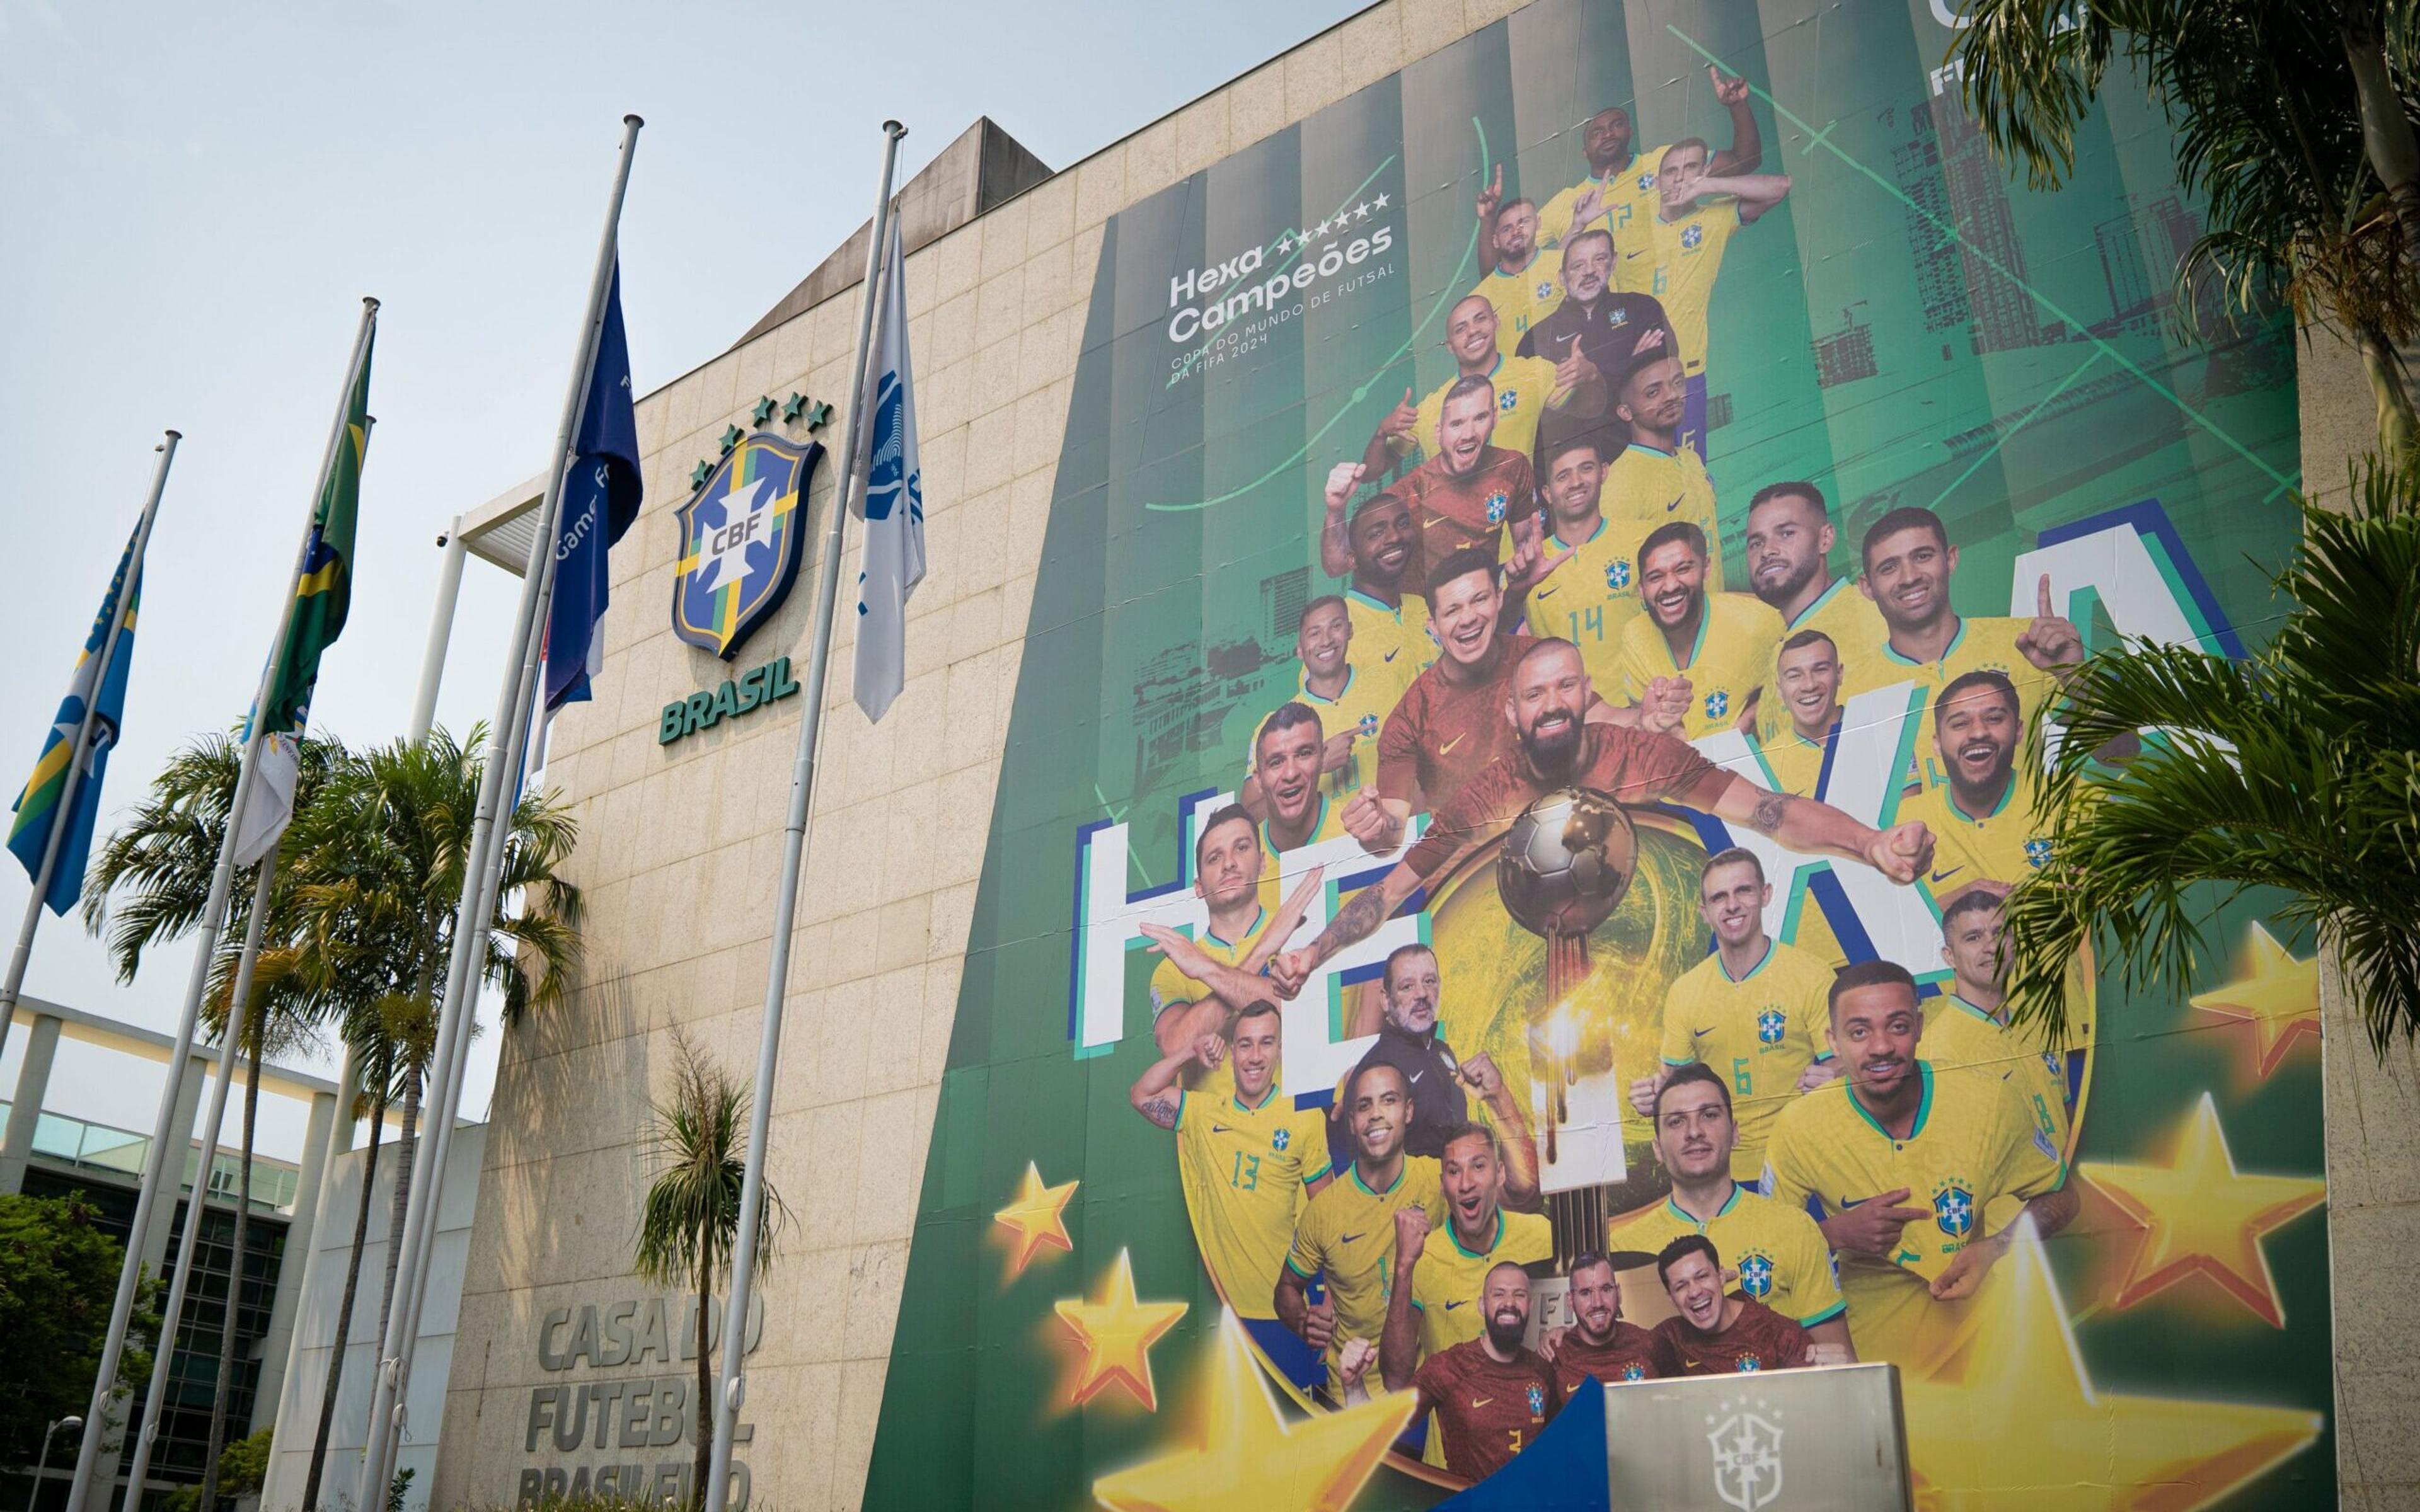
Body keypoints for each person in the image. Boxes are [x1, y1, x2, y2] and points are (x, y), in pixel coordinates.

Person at [1269, 639, 1935, 997]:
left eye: (1566, 687)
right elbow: (1390, 893)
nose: (1552, 704)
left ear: (1588, 695)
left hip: (1658, 966)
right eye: (1534, 694)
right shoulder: (1486, 797)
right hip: (1544, 982)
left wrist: (1871, 843)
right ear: (1512, 714)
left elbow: (1769, 811)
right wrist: (1313, 953)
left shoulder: (1643, 756)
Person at [1761, 961, 2079, 1370]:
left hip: (1988, 1354)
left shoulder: (1987, 1101)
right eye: (1859, 1032)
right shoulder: (1799, 1127)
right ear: (1833, 1041)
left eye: (1897, 1026)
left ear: (1920, 1026)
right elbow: (1765, 1252)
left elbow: (2063, 1196)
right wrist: (1836, 1232)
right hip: (1874, 1363)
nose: (1880, 1047)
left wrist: (1996, 1247)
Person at [1129, 1001, 1333, 1388]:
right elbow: (1141, 1094)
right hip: (1223, 1318)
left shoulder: (1303, 1117)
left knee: (1297, 1442)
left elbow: (1331, 1218)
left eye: (1266, 1043)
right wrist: (1190, 1051)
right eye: (1245, 1045)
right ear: (1232, 1051)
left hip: (1285, 1317)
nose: (1255, 1056)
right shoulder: (1206, 1114)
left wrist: (1330, 1307)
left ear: (1279, 1050)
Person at [1357, 550, 1602, 849]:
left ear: (1499, 599)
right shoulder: (1411, 717)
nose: (1468, 619)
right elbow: (1391, 831)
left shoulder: (1538, 660)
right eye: (1452, 611)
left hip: (1568, 839)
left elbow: (1608, 720)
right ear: (1433, 626)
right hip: (1474, 868)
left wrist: (1649, 718)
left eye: (1479, 600)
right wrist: (1373, 827)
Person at [1608, 1063, 1852, 1360]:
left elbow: (1841, 1367)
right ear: (1657, 1148)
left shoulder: (1794, 1228)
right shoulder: (1623, 1250)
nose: (1694, 1132)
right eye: (1676, 1122)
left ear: (1735, 1133)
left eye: (1709, 1115)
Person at [1628, 850, 1837, 1178]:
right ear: (1705, 912)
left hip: (1804, 1161)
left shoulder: (1812, 975)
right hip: (1723, 1173)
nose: (1732, 905)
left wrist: (1839, 1078)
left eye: (1744, 891)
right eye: (1719, 897)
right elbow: (1673, 1085)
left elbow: (1841, 1068)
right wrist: (1651, 1100)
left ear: (1765, 895)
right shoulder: (1686, 991)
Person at [1848, 506, 2083, 791]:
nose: (1909, 577)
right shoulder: (1852, 693)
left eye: (1922, 556)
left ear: (1951, 559)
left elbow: (2121, 754)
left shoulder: (2025, 643)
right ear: (1867, 587)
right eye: (1889, 568)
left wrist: (2076, 676)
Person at [1279, 1062, 1445, 1401]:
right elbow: (1286, 1288)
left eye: (1389, 1100)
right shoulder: (1324, 1210)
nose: (1376, 1115)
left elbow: (1511, 1195)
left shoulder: (1439, 1180)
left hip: (1429, 1389)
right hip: (1353, 1394)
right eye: (1364, 1105)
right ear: (1352, 1123)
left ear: (1408, 1111)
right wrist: (1301, 1320)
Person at [1330, 944, 1542, 1207]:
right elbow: (1371, 1190)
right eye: (1407, 986)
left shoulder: (1442, 1052)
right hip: (1419, 1222)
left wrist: (1498, 1095)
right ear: (1385, 1000)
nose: (1422, 993)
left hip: (1459, 1210)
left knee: (1527, 1198)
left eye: (1429, 981)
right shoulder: (1377, 1073)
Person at [1622, 139, 1794, 451]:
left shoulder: (1713, 218)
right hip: (1636, 375)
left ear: (1704, 172)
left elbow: (1781, 187)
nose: (1679, 178)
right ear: (1658, 180)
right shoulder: (1633, 234)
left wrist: (1707, 186)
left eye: (1690, 169)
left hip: (1686, 373)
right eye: (1671, 172)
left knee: (1690, 472)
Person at [1136, 806, 1320, 1093]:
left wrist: (1207, 971)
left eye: (1241, 848)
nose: (1229, 864)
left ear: (1262, 863)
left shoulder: (1300, 931)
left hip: (1301, 1131)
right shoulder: (1174, 967)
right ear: (1199, 887)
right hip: (1215, 1134)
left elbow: (1308, 1016)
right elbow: (1174, 1048)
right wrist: (1260, 954)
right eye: (1215, 858)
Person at [1318, 379, 1544, 595]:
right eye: (1457, 424)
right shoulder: (1408, 494)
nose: (1468, 434)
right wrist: (1335, 509)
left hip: (1483, 609)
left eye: (1480, 418)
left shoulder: (1512, 467)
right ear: (1439, 432)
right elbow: (1336, 566)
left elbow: (1525, 547)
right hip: (1425, 622)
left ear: (1495, 418)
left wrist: (1514, 583)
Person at [1341, 1263, 1562, 1482]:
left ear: (1530, 1305)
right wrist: (1353, 1386)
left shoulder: (1542, 1370)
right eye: (1499, 1294)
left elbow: (1560, 1449)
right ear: (1482, 1306)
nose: (1509, 1303)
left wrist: (1566, 1334)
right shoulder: (1449, 1367)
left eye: (1519, 1295)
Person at [1381, 1123, 1553, 1387]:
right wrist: (1404, 1267)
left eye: (1478, 1166)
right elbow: (1395, 1380)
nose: (1465, 1183)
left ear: (1500, 1174)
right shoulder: (1420, 1258)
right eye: (1454, 1171)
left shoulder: (1541, 1235)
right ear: (1442, 1185)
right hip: (1453, 1427)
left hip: (1533, 1421)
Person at [1535, 70, 1765, 257]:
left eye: (1616, 125)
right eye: (1597, 133)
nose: (1607, 134)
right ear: (1584, 152)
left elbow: (1745, 161)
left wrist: (1737, 106)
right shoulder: (1567, 200)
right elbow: (1513, 256)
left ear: (1630, 131)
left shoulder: (1663, 162)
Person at [1368, 295, 1598, 478]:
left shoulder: (1534, 372)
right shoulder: (1430, 408)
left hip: (1521, 532)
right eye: (1461, 329)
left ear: (1496, 322)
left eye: (1480, 319)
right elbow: (1371, 472)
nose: (1473, 331)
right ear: (1449, 346)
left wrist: (1591, 377)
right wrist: (1380, 433)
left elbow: (1590, 410)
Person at [1925, 890, 2075, 1152]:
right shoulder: (1936, 1050)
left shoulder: (2041, 1023)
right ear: (1949, 956)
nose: (1991, 946)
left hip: (2068, 1188)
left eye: (2000, 933)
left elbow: (2065, 1115)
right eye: (1973, 938)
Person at [1742, 483, 1888, 744]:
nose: (1767, 551)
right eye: (1756, 543)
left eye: (1786, 533)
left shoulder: (1870, 620)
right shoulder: (1782, 640)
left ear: (1826, 539)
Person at [1616, 523, 1783, 740]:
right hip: (1683, 767)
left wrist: (1749, 721)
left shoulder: (1758, 622)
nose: (1670, 586)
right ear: (1641, 589)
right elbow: (1643, 719)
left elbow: (1792, 689)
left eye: (1683, 569)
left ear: (1706, 568)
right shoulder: (1635, 636)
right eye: (1655, 577)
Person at [1898, 671, 2051, 900]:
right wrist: (1958, 903)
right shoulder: (1900, 824)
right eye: (1960, 723)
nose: (1978, 732)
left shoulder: (2072, 798)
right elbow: (1883, 925)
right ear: (1937, 744)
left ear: (2019, 731)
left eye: (1994, 718)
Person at [1240, 597, 1403, 812]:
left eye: (1335, 626)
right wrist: (1318, 765)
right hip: (1321, 846)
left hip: (1390, 839)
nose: (1326, 641)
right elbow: (1250, 815)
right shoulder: (1274, 726)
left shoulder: (1391, 688)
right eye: (1314, 633)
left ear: (1350, 631)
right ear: (1300, 649)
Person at [1597, 355, 1725, 590]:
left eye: (1677, 383)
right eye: (1654, 392)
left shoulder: (1691, 459)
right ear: (1626, 412)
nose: (1672, 396)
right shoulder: (1620, 486)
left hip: (1713, 620)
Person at [1652, 1235, 1814, 1375]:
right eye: (1681, 1286)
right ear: (1672, 1299)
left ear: (1721, 1277)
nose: (1694, 1292)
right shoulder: (1669, 1338)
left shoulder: (1779, 1335)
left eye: (1702, 1276)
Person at [1336, 490, 1436, 684]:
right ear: (1353, 559)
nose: (1395, 537)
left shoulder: (1422, 607)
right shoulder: (1337, 626)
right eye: (1377, 533)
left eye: (1403, 525)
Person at [1538, 1253, 1674, 1390]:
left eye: (1606, 1289)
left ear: (1619, 1293)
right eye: (1585, 1293)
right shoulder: (1555, 1355)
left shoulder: (1651, 1345)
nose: (1597, 1303)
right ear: (1570, 1300)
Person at [1468, 176, 1568, 359]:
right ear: (1496, 241)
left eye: (1523, 222)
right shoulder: (1479, 298)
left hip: (1564, 372)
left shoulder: (1565, 265)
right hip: (1513, 383)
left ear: (1538, 223)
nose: (1516, 231)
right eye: (1507, 229)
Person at [1243, 704, 1354, 852]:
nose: (1291, 774)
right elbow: (1247, 816)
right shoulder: (1247, 863)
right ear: (1258, 780)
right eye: (1276, 762)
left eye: (1304, 754)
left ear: (1323, 758)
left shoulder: (1355, 834)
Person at [1748, 630, 1842, 798]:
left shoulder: (1880, 730)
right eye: (1794, 676)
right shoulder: (1766, 765)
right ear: (1779, 690)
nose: (1809, 685)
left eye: (1820, 670)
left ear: (1839, 674)